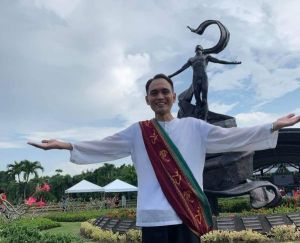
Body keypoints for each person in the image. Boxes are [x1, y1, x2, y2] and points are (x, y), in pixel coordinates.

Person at [28, 74, 300, 243]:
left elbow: (234, 138)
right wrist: (63, 145)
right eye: (154, 92)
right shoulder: (138, 131)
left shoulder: (195, 127)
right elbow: (103, 146)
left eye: (164, 91)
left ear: (172, 96)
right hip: (152, 217)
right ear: (147, 99)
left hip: (187, 214)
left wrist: (272, 126)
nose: (160, 96)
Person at [169, 45, 241, 119]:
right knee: (197, 101)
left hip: (203, 78)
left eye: (200, 49)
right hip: (195, 79)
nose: (198, 50)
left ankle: (205, 118)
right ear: (195, 50)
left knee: (204, 99)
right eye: (197, 49)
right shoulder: (191, 59)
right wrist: (171, 75)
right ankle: (198, 118)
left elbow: (219, 61)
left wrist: (232, 62)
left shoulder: (206, 57)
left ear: (202, 50)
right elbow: (181, 69)